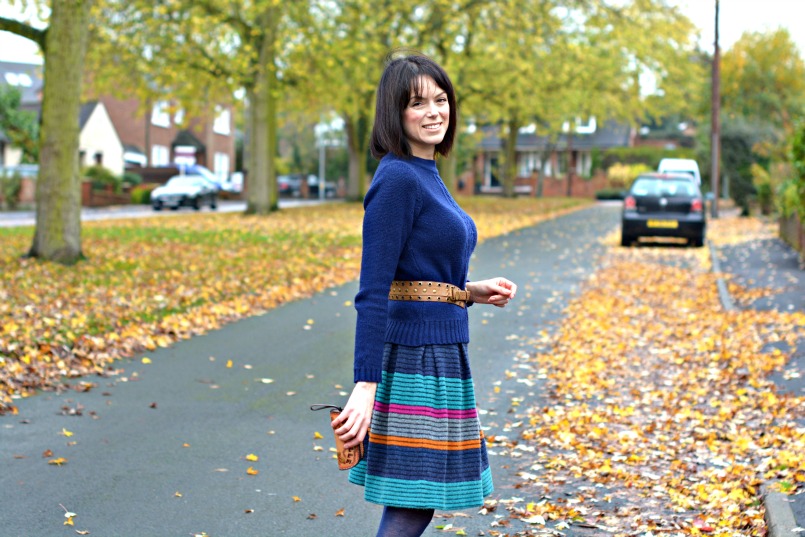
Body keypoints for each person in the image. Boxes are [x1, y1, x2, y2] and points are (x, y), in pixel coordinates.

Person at [332, 52, 517, 537]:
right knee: (413, 501)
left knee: (419, 501)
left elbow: (414, 273)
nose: (434, 111)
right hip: (415, 358)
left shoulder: (425, 173)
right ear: (395, 113)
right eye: (418, 103)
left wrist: (470, 291)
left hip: (441, 350)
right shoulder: (396, 179)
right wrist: (366, 385)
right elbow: (373, 291)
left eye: (441, 99)